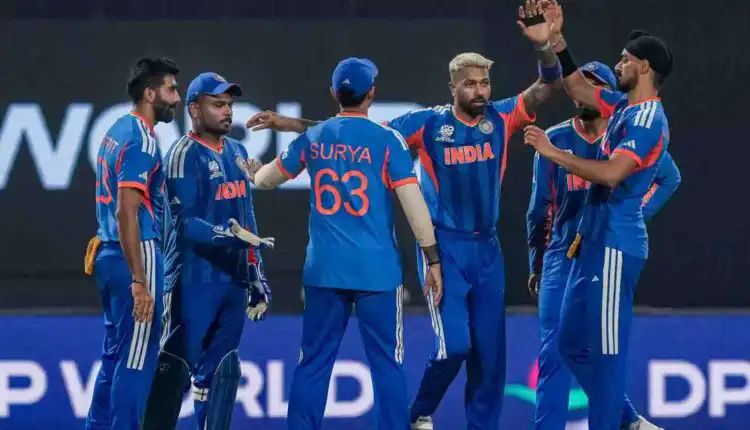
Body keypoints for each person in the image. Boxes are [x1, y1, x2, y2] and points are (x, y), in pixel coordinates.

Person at [245, 4, 560, 428]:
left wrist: (544, 47)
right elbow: (364, 134)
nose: (480, 91)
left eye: (485, 82)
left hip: (486, 248)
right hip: (442, 247)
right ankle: (419, 411)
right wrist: (432, 257)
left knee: (489, 357)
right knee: (450, 348)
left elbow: (548, 84)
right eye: (470, 83)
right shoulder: (425, 124)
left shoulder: (501, 117)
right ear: (452, 87)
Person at [244, 57, 442, 430]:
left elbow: (267, 179)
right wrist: (433, 260)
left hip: (324, 271)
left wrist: (255, 174)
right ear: (372, 93)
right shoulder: (388, 141)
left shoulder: (314, 137)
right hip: (377, 273)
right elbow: (415, 208)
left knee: (313, 363)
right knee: (387, 364)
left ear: (333, 93)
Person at [523, 1, 675, 427]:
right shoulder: (624, 107)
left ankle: (615, 421)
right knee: (569, 344)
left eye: (624, 60)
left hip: (613, 246)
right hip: (589, 245)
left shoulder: (648, 119)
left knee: (606, 357)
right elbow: (578, 89)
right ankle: (628, 420)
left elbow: (611, 173)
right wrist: (556, 39)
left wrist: (553, 153)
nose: (617, 65)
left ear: (643, 67)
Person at [141, 72, 273, 430]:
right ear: (195, 109)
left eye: (229, 104)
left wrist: (256, 273)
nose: (227, 111)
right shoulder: (183, 155)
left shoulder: (238, 152)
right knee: (174, 371)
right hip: (192, 280)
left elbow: (247, 217)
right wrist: (230, 235)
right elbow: (186, 224)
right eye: (218, 104)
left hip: (233, 281)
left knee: (224, 372)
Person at [84, 56, 181, 430]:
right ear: (150, 93)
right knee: (137, 358)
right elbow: (127, 210)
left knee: (115, 354)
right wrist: (140, 280)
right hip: (136, 254)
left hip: (109, 253)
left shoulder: (116, 129)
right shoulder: (141, 138)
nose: (176, 98)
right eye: (171, 89)